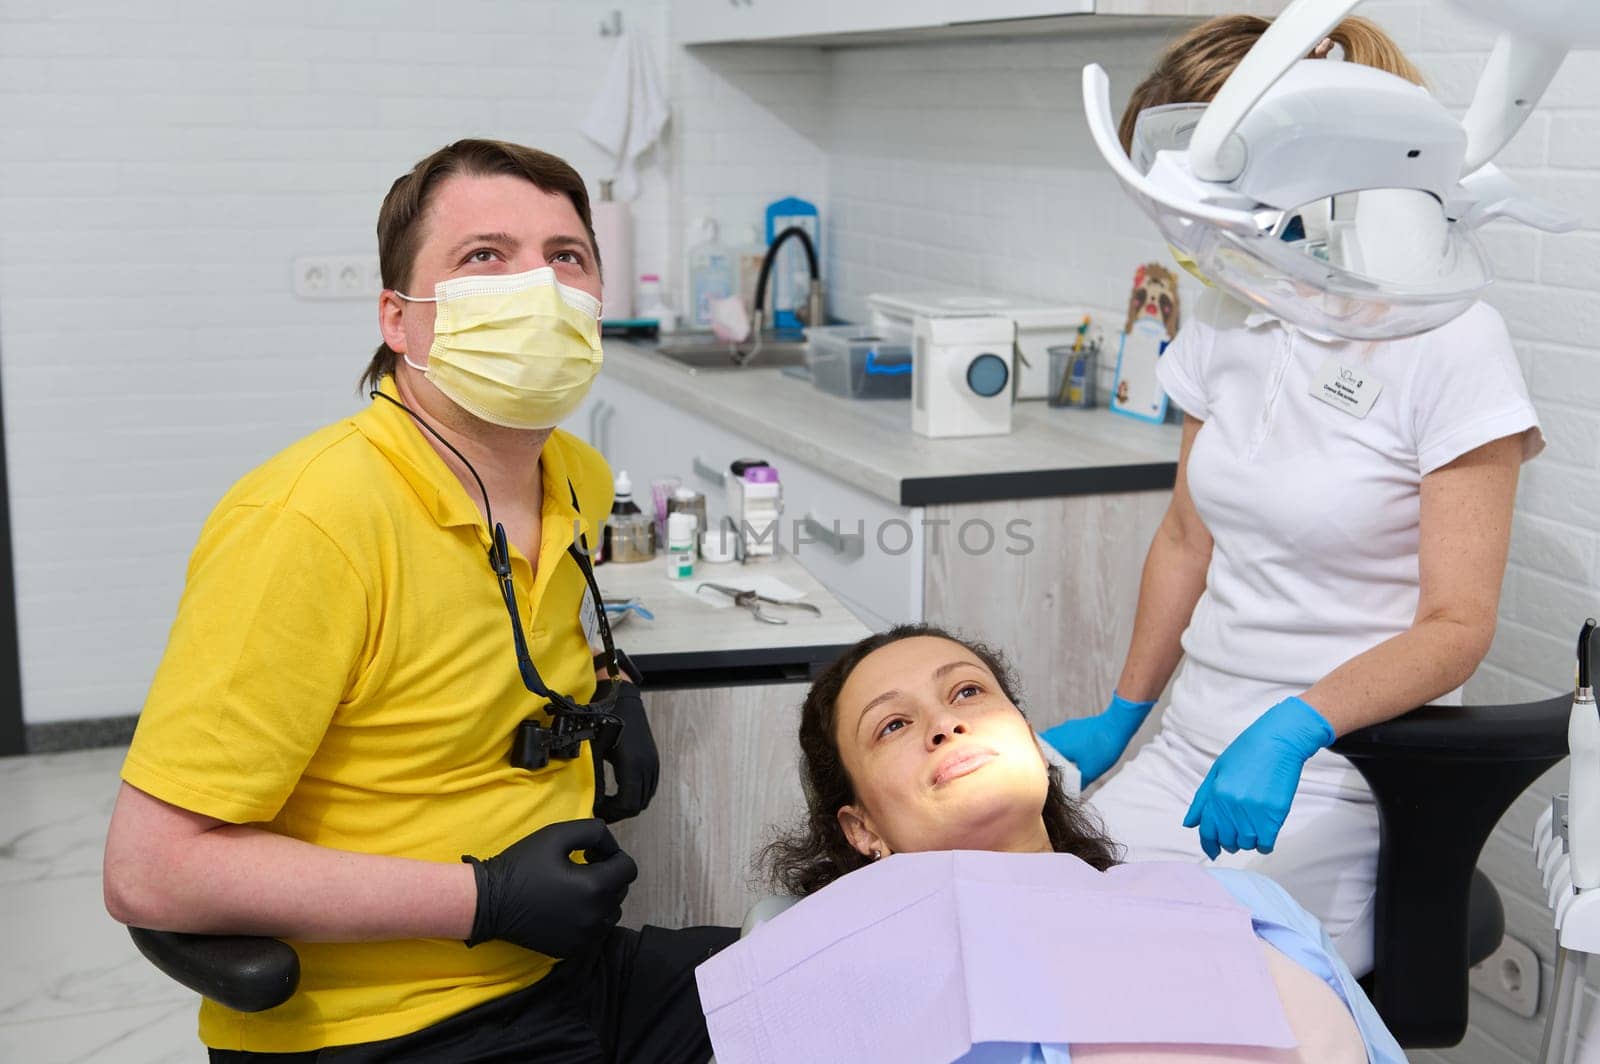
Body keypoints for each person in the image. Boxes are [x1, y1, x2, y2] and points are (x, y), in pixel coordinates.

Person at [102, 139, 736, 1062]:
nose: (539, 288)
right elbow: (149, 872)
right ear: (399, 319)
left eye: (567, 257)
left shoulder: (576, 480)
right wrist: (486, 899)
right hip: (391, 1024)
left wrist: (604, 694)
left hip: (567, 974)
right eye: (486, 256)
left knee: (845, 983)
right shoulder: (310, 523)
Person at [1041, 15, 1544, 974]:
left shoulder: (1452, 342)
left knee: (1126, 965)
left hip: (1333, 781)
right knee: (1026, 899)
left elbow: (1456, 624)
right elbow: (1189, 534)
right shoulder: (1233, 304)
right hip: (1188, 750)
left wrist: (1296, 723)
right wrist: (1122, 712)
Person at [757, 625, 1404, 1063]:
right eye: (893, 724)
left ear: (1034, 744)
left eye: (968, 691)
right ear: (862, 828)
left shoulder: (1240, 899)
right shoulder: (865, 988)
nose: (946, 724)